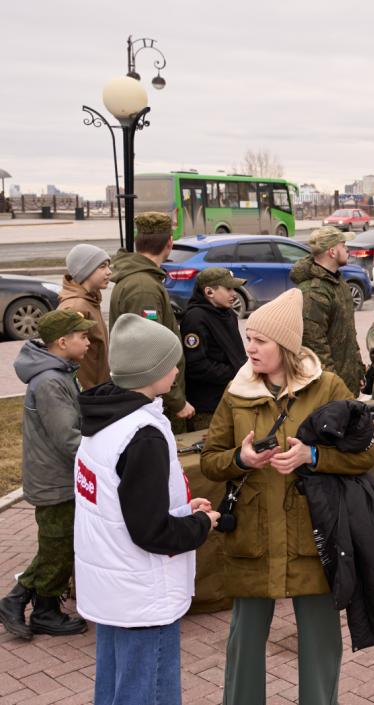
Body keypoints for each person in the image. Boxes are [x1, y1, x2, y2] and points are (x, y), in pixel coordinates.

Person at [201, 288, 374, 704]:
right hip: (252, 538)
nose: (250, 348)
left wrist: (313, 456)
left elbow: (369, 452)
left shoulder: (328, 387)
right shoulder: (237, 391)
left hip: (313, 537)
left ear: (285, 346)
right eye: (248, 338)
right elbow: (211, 460)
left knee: (320, 644)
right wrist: (241, 459)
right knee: (244, 642)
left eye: (260, 341)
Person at [75, 314, 219, 705]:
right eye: (171, 363)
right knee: (147, 691)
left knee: (115, 686)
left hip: (113, 587)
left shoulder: (104, 421)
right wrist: (199, 524)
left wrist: (181, 508)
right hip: (142, 593)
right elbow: (151, 532)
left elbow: (120, 502)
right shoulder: (144, 436)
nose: (177, 370)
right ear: (151, 371)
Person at [0, 311, 96, 640]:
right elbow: (67, 437)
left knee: (59, 544)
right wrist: (102, 458)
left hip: (59, 477)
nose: (88, 342)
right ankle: (43, 611)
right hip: (55, 481)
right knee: (59, 545)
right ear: (62, 342)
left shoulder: (59, 373)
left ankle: (19, 600)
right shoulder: (51, 381)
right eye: (82, 336)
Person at [109, 212, 194, 428]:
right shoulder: (143, 287)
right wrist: (177, 401)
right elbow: (149, 352)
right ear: (169, 243)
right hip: (156, 399)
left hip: (155, 395)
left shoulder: (143, 279)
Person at [291, 226, 365, 396]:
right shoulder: (314, 292)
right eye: (343, 245)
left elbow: (348, 332)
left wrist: (358, 369)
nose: (347, 250)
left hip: (346, 380)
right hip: (330, 388)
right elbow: (316, 347)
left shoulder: (338, 282)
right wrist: (334, 385)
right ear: (332, 251)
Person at [180, 267, 248, 431]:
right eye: (228, 289)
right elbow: (196, 365)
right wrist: (236, 372)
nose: (234, 294)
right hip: (208, 407)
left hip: (231, 397)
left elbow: (235, 353)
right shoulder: (195, 318)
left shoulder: (228, 314)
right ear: (209, 292)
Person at [58, 243, 111, 389]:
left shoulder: (90, 301)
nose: (109, 272)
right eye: (102, 267)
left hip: (98, 388)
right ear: (85, 271)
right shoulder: (76, 307)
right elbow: (67, 357)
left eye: (108, 266)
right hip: (88, 392)